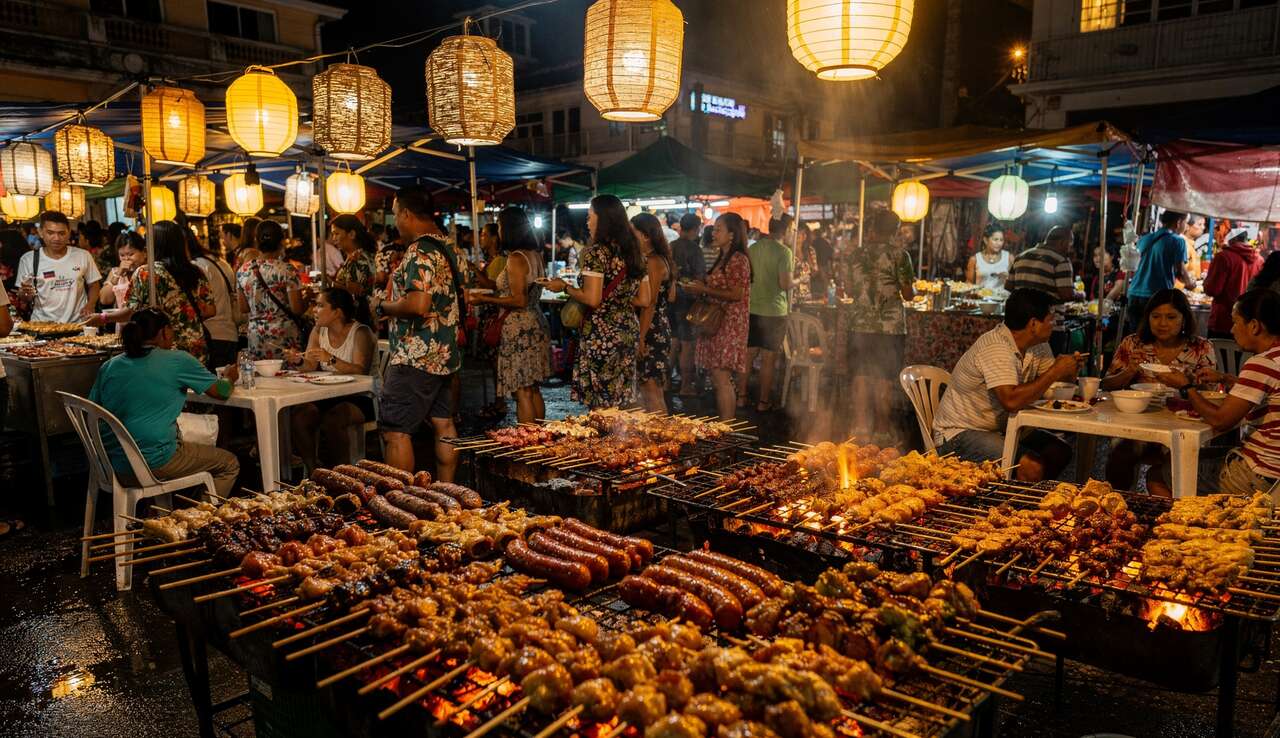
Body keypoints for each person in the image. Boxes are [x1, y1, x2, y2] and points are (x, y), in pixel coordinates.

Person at [931, 288, 1081, 482]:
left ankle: (1025, 495)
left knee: (1059, 451)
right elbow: (1011, 400)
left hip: (1005, 427)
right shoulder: (997, 347)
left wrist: (1069, 371)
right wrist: (1055, 371)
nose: (1055, 324)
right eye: (1051, 319)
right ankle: (1017, 506)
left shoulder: (1038, 345)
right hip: (958, 434)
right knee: (1031, 466)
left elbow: (1050, 384)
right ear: (1033, 324)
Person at [89, 309, 240, 498]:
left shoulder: (109, 366)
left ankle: (173, 511)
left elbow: (93, 411)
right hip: (154, 462)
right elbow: (221, 392)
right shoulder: (177, 360)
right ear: (164, 332)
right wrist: (230, 376)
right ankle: (199, 518)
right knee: (229, 463)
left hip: (112, 464)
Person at [369, 186, 464, 479]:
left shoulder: (419, 251)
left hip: (416, 354)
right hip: (445, 353)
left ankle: (401, 499)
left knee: (395, 431)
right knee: (443, 423)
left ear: (407, 214)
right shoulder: (451, 248)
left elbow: (418, 304)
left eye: (396, 215)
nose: (396, 221)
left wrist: (382, 305)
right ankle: (449, 493)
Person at [1101, 289, 1217, 496]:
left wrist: (1188, 382)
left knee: (1172, 463)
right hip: (1138, 422)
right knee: (1120, 455)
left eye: (1171, 317)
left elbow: (1210, 393)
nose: (1162, 323)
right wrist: (1129, 372)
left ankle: (1170, 515)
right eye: (1156, 316)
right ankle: (1117, 503)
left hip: (1183, 425)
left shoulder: (1200, 347)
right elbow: (1107, 385)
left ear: (1184, 319)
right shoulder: (1133, 343)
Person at [546, 195, 649, 409]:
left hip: (601, 336)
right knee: (619, 401)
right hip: (627, 331)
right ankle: (620, 441)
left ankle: (605, 441)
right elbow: (644, 299)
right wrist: (618, 301)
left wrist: (564, 287)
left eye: (589, 216)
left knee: (601, 404)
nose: (587, 221)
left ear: (603, 219)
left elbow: (592, 299)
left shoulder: (595, 253)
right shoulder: (635, 252)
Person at [1189, 290, 1280, 496]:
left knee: (1160, 474)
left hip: (1262, 475)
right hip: (1275, 473)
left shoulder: (1262, 363)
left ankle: (1189, 526)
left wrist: (1187, 388)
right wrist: (1226, 379)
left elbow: (1221, 421)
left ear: (1254, 326)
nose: (1231, 330)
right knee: (1199, 455)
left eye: (1236, 322)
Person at [91, 221, 216, 365]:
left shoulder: (146, 272)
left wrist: (102, 318)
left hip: (163, 347)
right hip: (196, 345)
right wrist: (183, 314)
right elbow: (211, 310)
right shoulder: (196, 271)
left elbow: (130, 312)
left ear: (153, 244)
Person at [471, 208, 551, 424]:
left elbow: (519, 300)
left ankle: (527, 443)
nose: (498, 230)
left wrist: (486, 300)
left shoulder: (516, 258)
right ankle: (539, 437)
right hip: (536, 322)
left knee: (523, 391)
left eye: (500, 225)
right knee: (533, 388)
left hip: (519, 327)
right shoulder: (536, 255)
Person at [844, 208, 915, 441]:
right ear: (895, 230)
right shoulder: (900, 256)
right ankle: (882, 431)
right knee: (884, 379)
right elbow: (908, 294)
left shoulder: (855, 255)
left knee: (860, 376)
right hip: (890, 327)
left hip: (859, 325)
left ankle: (859, 428)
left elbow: (848, 289)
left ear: (873, 226)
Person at [286, 288, 376, 471]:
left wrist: (331, 359)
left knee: (334, 419)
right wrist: (298, 361)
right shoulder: (318, 331)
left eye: (320, 305)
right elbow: (310, 366)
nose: (314, 310)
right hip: (330, 395)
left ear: (337, 312)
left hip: (363, 396)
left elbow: (361, 371)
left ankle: (342, 473)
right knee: (300, 415)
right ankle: (314, 471)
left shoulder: (361, 332)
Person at [685, 213, 752, 421]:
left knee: (721, 377)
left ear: (732, 234)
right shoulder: (723, 257)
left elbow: (737, 294)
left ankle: (727, 427)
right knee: (717, 376)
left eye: (718, 229)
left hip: (729, 324)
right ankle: (725, 425)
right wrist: (699, 289)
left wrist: (705, 288)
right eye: (713, 229)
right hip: (716, 323)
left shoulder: (739, 259)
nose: (713, 233)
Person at [740, 216, 793, 412]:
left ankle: (741, 398)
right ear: (786, 230)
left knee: (748, 355)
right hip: (774, 312)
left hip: (752, 309)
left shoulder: (752, 249)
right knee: (769, 359)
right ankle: (763, 402)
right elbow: (785, 284)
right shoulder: (784, 252)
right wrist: (800, 279)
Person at [16, 210, 102, 322]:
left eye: (61, 233)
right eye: (50, 233)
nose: (56, 238)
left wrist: (90, 305)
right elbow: (24, 297)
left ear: (69, 232)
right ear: (41, 232)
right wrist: (25, 293)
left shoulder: (83, 255)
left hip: (78, 325)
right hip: (42, 326)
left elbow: (94, 285)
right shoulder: (28, 259)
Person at [237, 220, 305, 360]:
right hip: (284, 335)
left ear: (256, 241)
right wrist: (308, 299)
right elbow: (297, 309)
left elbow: (243, 308)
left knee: (262, 377)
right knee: (289, 376)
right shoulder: (287, 270)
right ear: (281, 242)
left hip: (256, 335)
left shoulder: (242, 271)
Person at [631, 212, 675, 413]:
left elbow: (650, 302)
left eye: (633, 233)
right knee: (647, 387)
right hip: (659, 326)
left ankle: (663, 437)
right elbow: (671, 296)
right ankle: (653, 435)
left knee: (651, 389)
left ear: (646, 236)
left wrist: (640, 337)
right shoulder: (663, 259)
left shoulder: (652, 261)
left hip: (650, 329)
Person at [1126, 210, 1198, 334]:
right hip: (1155, 296)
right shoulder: (1178, 241)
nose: (1186, 226)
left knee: (1136, 338)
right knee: (1153, 339)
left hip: (1133, 294)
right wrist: (1191, 284)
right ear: (1178, 222)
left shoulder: (1145, 239)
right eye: (1185, 222)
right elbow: (1180, 271)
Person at [669, 213, 707, 397]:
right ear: (696, 228)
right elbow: (699, 278)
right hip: (688, 301)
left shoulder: (670, 247)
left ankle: (666, 382)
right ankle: (685, 386)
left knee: (672, 342)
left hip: (670, 299)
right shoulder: (694, 250)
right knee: (687, 345)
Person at [1202, 227, 1264, 339]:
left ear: (1231, 241)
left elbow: (1212, 289)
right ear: (1246, 240)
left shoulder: (1223, 257)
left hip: (1222, 321)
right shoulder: (1259, 260)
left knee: (1217, 355)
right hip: (1247, 324)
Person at [1005, 225, 1075, 302]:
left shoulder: (1020, 257)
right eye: (1070, 244)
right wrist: (1079, 296)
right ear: (1063, 242)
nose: (1070, 249)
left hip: (1019, 311)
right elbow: (1067, 296)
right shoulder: (1061, 261)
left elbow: (1008, 287)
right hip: (1048, 313)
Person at [330, 214, 377, 323]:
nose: (334, 239)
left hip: (358, 319)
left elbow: (354, 292)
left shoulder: (358, 258)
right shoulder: (357, 255)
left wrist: (330, 283)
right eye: (332, 234)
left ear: (351, 234)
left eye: (336, 234)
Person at [98, 232, 143, 310]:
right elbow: (104, 300)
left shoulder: (148, 271)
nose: (126, 259)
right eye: (122, 255)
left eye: (131, 254)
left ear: (144, 253)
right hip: (123, 321)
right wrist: (118, 274)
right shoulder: (115, 272)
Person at [965, 225, 1010, 291]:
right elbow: (969, 283)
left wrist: (1007, 277)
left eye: (1001, 240)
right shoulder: (975, 259)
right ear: (986, 240)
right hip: (981, 299)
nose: (999, 243)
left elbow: (1015, 283)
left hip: (1002, 299)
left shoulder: (1008, 258)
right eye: (995, 239)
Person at [473, 223, 504, 291]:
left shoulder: (499, 260)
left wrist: (474, 269)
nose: (480, 238)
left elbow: (491, 286)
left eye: (483, 235)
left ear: (494, 239)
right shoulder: (491, 258)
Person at [1181, 214, 1207, 283]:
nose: (1203, 227)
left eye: (1203, 224)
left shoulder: (1191, 245)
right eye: (1199, 224)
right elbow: (1181, 272)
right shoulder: (1184, 245)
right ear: (1187, 226)